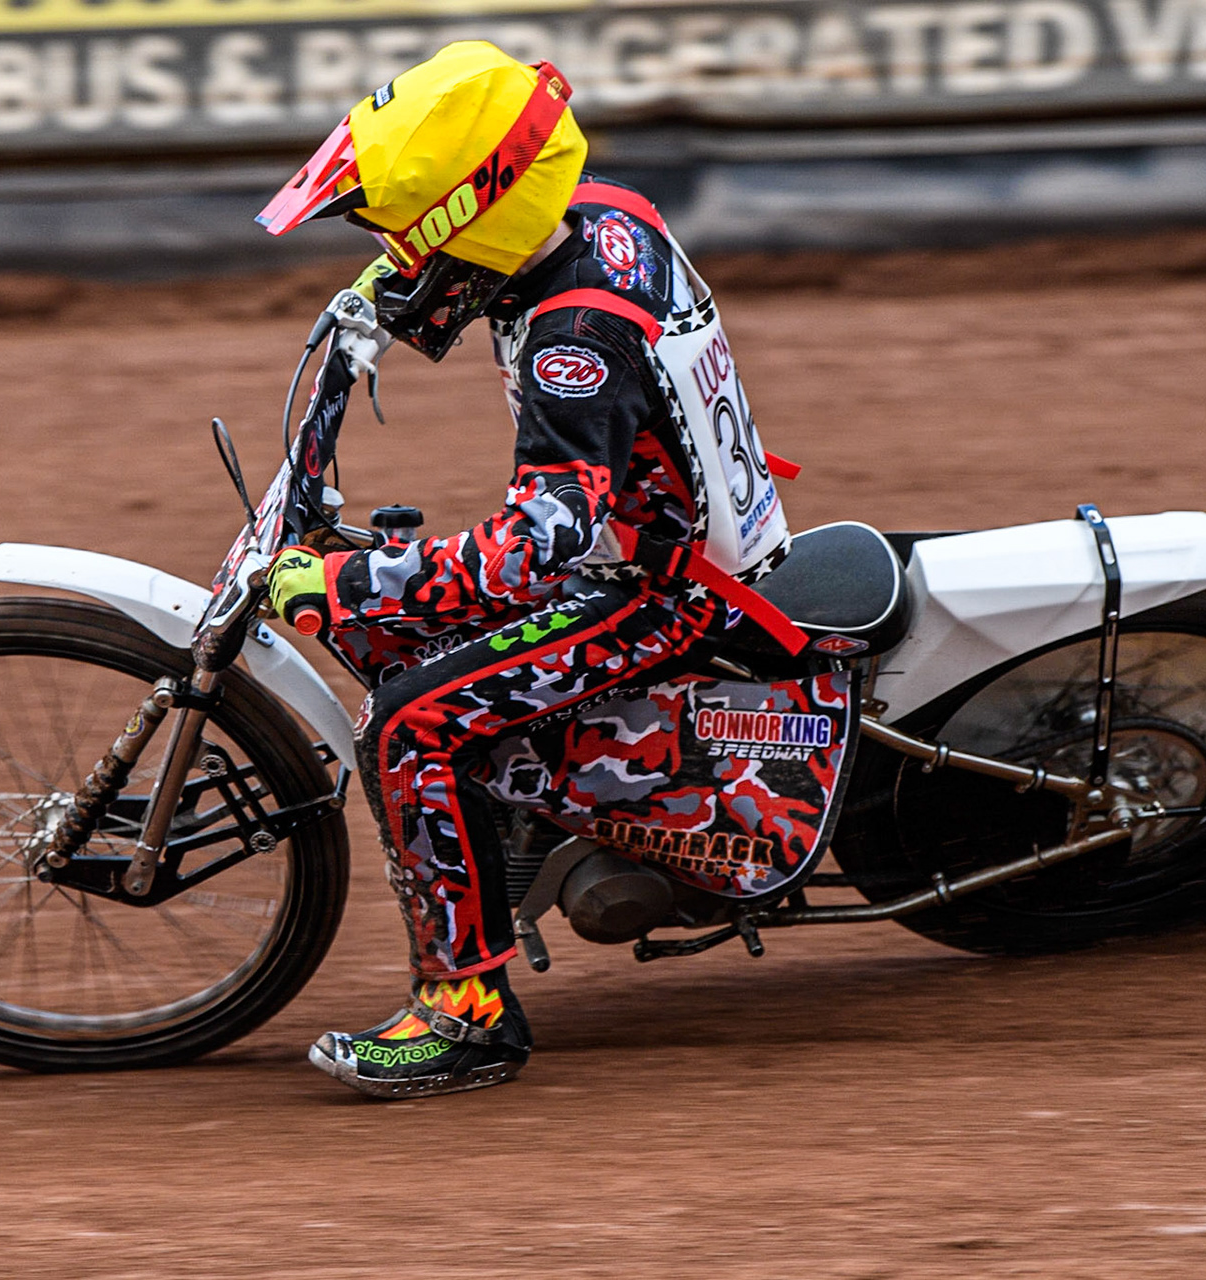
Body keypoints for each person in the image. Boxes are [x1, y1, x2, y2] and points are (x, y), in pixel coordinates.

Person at [254, 41, 794, 1098]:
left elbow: (539, 537)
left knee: (413, 721)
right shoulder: (601, 214)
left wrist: (356, 585)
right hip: (681, 541)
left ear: (473, 214)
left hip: (661, 593)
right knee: (422, 628)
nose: (387, 245)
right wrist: (400, 296)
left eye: (400, 228)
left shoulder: (572, 347)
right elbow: (504, 279)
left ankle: (467, 1015)